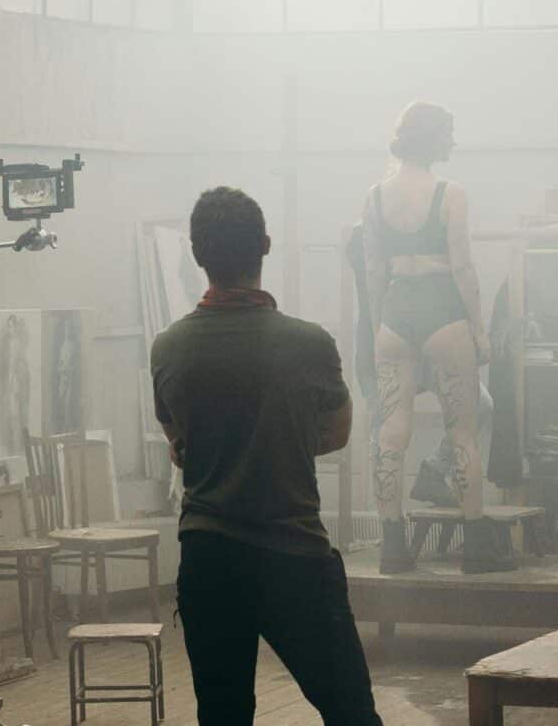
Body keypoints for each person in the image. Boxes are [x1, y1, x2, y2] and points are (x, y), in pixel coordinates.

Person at [150, 188, 382, 726]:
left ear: (197, 254)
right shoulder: (309, 343)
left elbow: (179, 444)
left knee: (223, 716)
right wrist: (282, 442)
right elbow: (339, 433)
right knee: (351, 712)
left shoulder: (169, 346)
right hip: (292, 555)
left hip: (208, 556)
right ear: (266, 246)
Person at [360, 102, 513, 575]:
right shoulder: (450, 193)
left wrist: (378, 325)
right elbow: (463, 266)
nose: (453, 141)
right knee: (462, 431)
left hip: (395, 311)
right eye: (449, 133)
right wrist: (480, 329)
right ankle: (475, 547)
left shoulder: (375, 196)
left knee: (391, 431)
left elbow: (373, 269)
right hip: (443, 309)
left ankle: (392, 547)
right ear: (434, 139)